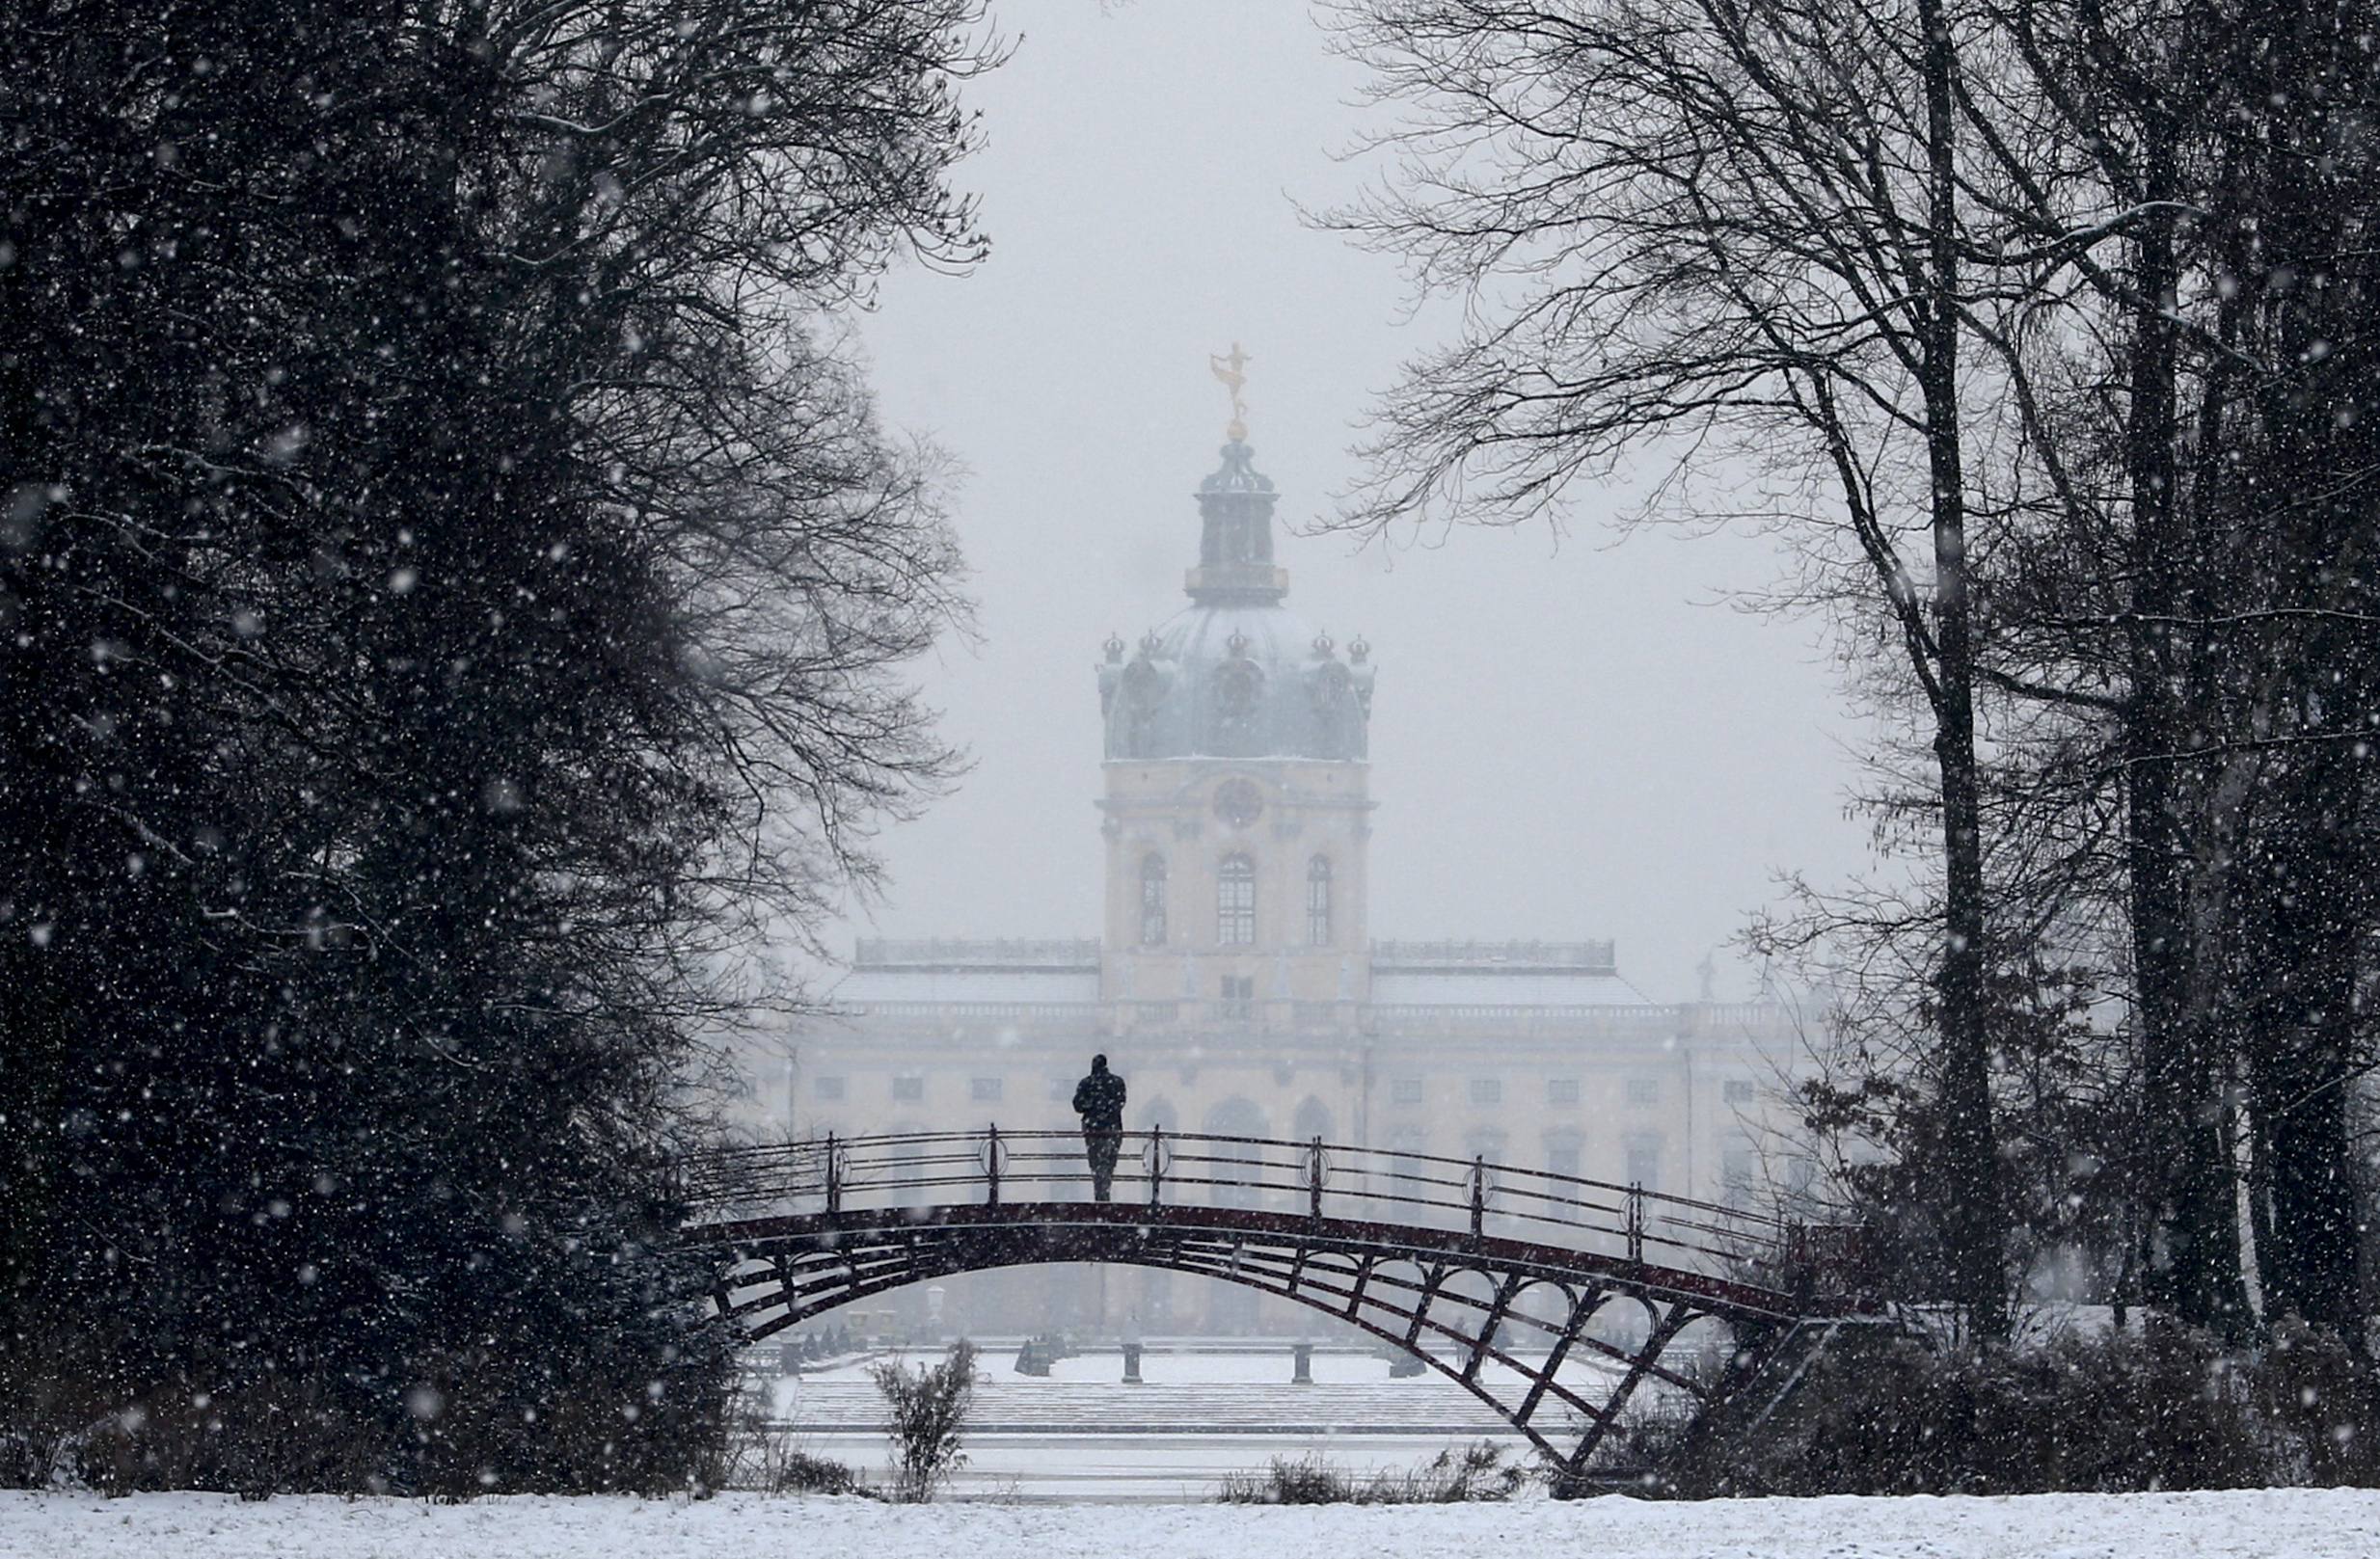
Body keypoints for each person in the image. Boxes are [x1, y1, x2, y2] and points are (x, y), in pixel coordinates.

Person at [1071, 1053, 1127, 1202]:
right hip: (1112, 1129)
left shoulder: (1086, 1083)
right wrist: (1106, 1108)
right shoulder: (1117, 1082)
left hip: (1093, 1131)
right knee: (1109, 1164)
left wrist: (1092, 1105)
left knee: (1096, 1164)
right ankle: (1104, 1193)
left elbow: (1077, 1106)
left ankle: (1100, 1195)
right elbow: (1120, 1102)